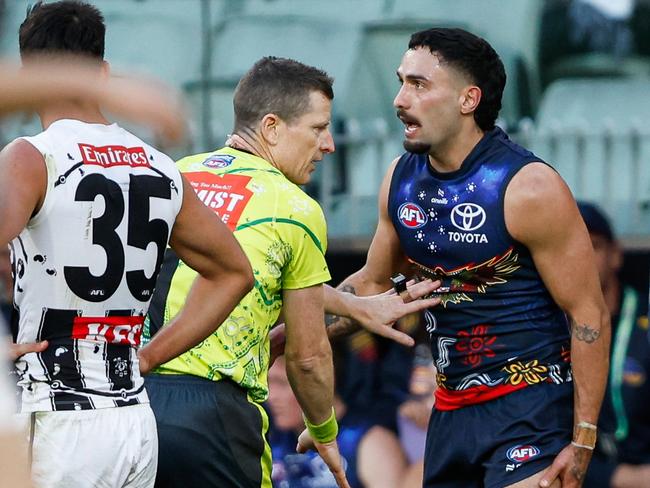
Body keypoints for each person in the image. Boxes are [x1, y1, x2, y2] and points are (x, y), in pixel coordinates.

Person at [322, 27, 610, 488]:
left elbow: (588, 314)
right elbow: (373, 284)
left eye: (419, 84)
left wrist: (583, 440)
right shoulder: (400, 178)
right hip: (449, 410)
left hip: (530, 408)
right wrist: (282, 334)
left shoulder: (527, 185)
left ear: (468, 99)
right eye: (401, 82)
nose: (399, 99)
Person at [144, 56, 439, 488]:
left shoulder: (174, 174)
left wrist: (349, 304)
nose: (330, 144)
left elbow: (239, 268)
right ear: (271, 127)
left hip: (133, 403)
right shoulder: (294, 207)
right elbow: (307, 356)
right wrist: (324, 431)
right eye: (318, 128)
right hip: (216, 414)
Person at [3, 2, 254, 487]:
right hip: (134, 418)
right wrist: (150, 356)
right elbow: (234, 273)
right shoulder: (159, 165)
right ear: (102, 72)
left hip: (57, 415)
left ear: (30, 76)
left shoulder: (32, 156)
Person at [578, 202, 650, 488]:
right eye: (572, 248)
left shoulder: (644, 318)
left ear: (615, 255)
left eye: (592, 247)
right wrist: (618, 479)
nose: (581, 258)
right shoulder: (543, 329)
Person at [267, 353, 407, 488]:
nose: (271, 396)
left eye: (282, 383)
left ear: (322, 378)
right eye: (268, 383)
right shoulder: (270, 440)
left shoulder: (369, 441)